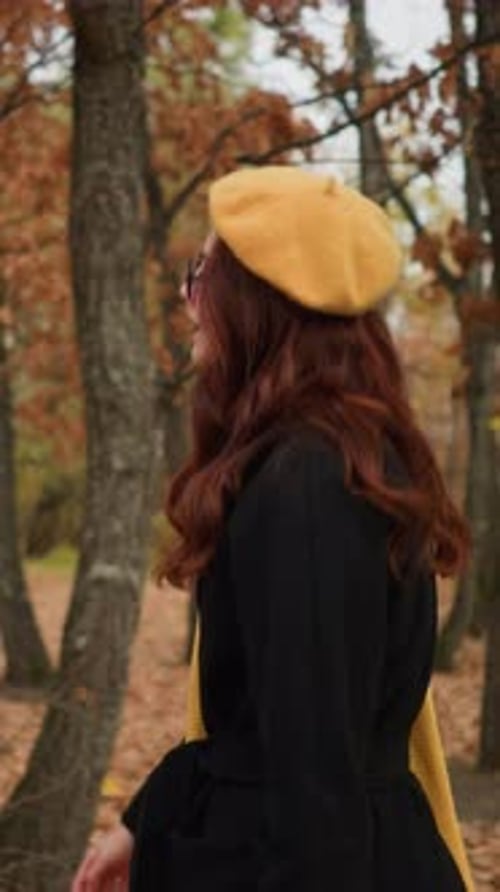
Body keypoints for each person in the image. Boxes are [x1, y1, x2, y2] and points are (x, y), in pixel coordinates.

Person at [72, 165, 472, 892]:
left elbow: (316, 791)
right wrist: (145, 819)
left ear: (259, 302)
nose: (189, 299)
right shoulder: (317, 463)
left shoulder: (310, 488)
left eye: (203, 275)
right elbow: (259, 726)